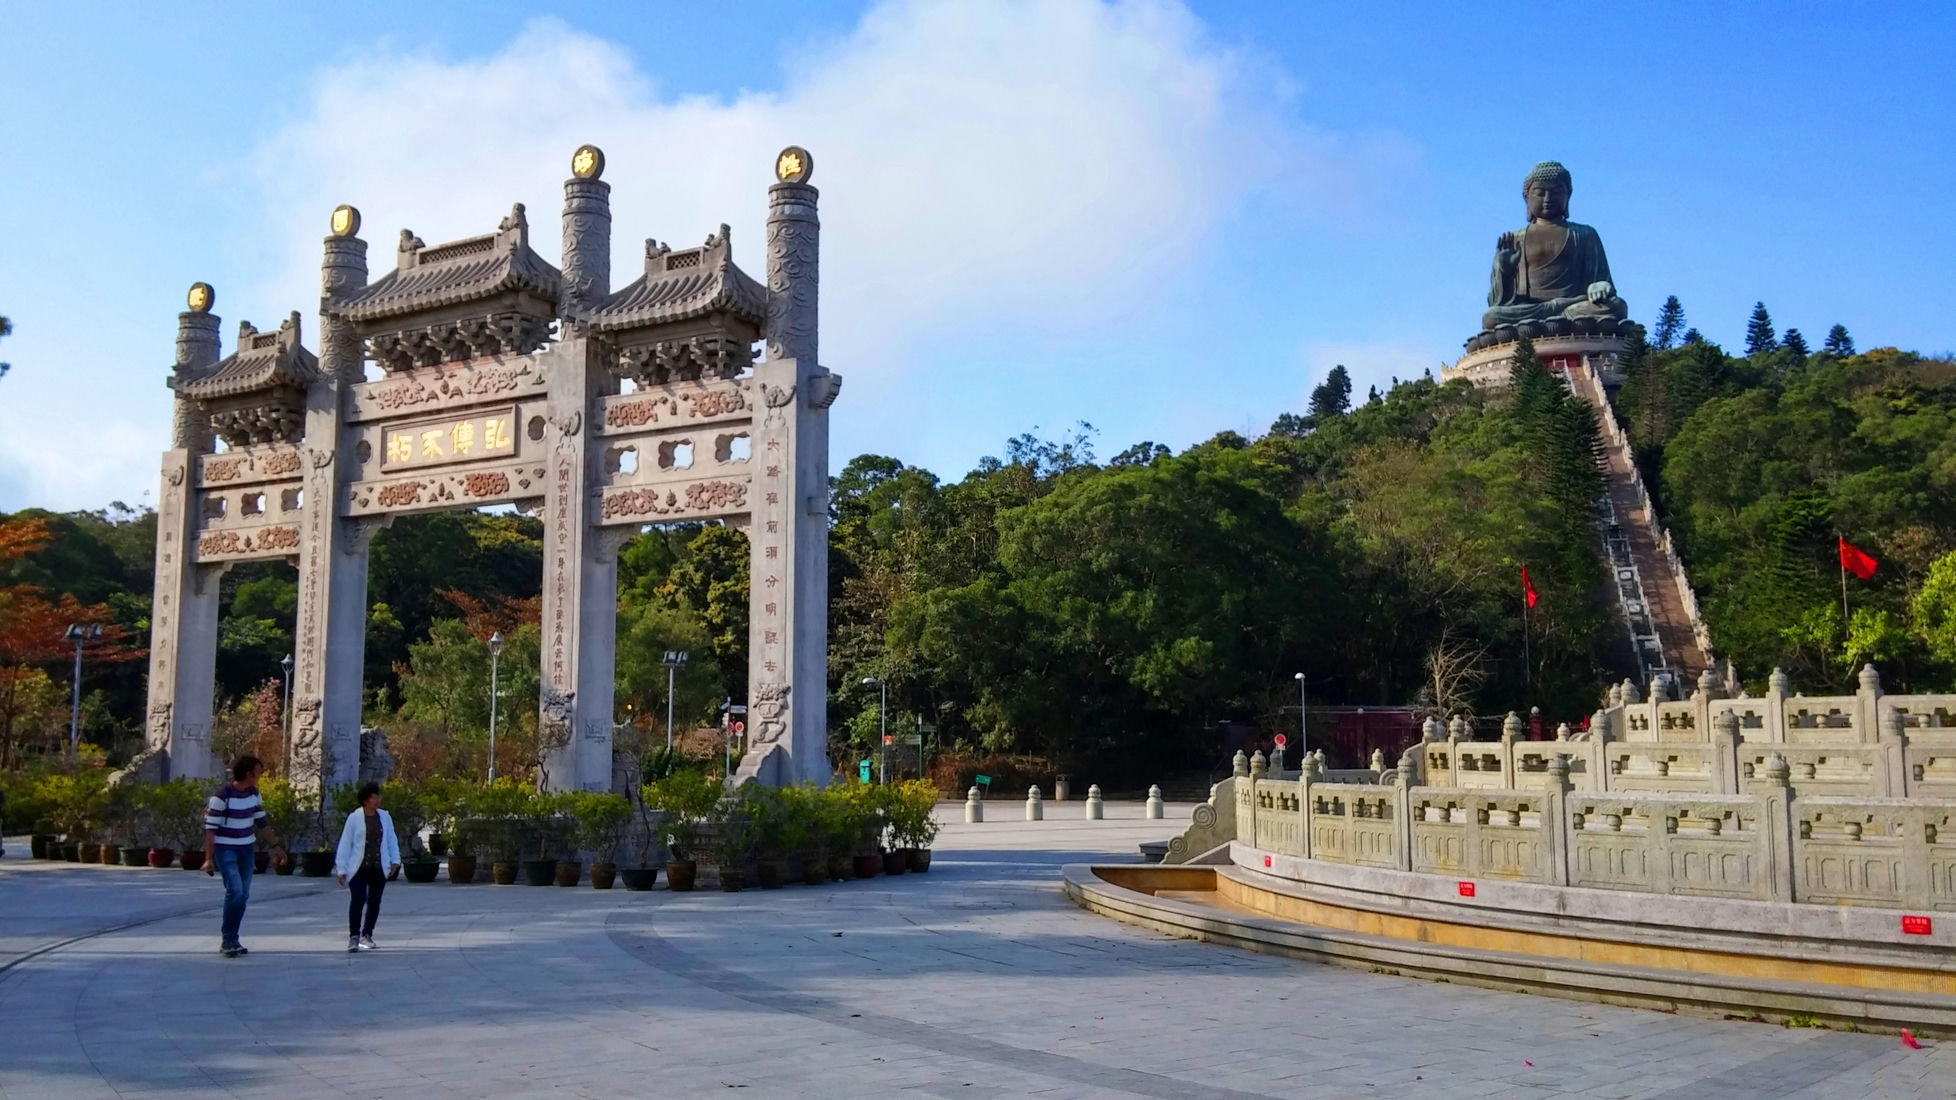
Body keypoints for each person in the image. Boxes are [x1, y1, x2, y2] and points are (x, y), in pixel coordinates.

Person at [204, 755, 282, 958]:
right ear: (249, 773)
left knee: (243, 895)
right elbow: (210, 830)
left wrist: (277, 847)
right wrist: (209, 859)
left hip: (246, 850)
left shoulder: (254, 794)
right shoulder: (222, 797)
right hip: (226, 849)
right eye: (259, 771)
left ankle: (233, 939)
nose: (261, 774)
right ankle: (228, 938)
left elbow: (262, 823)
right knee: (236, 892)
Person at [333, 781, 401, 953]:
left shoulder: (384, 817)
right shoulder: (354, 818)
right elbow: (345, 843)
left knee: (374, 901)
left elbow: (391, 839)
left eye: (378, 796)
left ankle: (367, 934)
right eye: (373, 797)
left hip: (378, 865)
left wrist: (395, 860)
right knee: (358, 898)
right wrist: (341, 869)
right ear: (365, 800)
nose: (377, 799)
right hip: (359, 867)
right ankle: (354, 936)